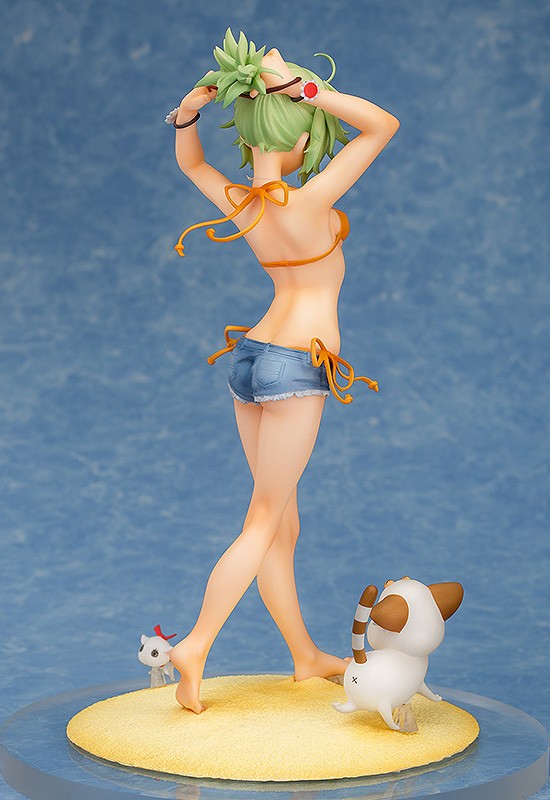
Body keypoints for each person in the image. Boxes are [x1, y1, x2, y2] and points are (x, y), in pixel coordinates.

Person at [166, 29, 399, 713]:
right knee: (265, 518)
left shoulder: (243, 202)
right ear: (300, 136)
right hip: (296, 366)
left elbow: (191, 163)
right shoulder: (312, 201)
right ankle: (195, 644)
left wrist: (187, 112)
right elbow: (382, 125)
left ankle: (303, 655)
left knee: (280, 521)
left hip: (250, 359)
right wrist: (307, 89)